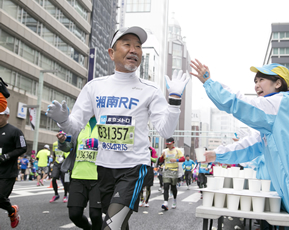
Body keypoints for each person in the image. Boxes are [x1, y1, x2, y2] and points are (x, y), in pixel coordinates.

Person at [46, 26, 189, 230]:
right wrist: (63, 119)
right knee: (118, 224)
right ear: (111, 53)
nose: (134, 50)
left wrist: (174, 101)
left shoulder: (150, 90)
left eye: (138, 46)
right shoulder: (94, 87)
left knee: (111, 225)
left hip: (134, 168)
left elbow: (165, 132)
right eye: (127, 44)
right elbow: (75, 126)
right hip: (103, 168)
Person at [190, 60, 289, 230]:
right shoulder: (279, 112)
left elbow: (240, 104)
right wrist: (217, 155)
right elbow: (251, 145)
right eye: (255, 82)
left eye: (261, 80)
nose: (256, 85)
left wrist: (209, 83)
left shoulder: (280, 103)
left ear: (278, 83)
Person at [57, 117, 102, 230]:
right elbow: (68, 147)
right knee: (74, 214)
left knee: (96, 215)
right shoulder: (78, 126)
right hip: (78, 176)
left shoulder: (105, 124)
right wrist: (62, 141)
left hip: (98, 178)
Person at [0, 107, 27, 228]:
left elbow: (23, 148)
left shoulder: (15, 131)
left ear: (7, 115)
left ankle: (12, 211)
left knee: (0, 197)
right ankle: (12, 210)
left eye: (0, 115)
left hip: (7, 172)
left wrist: (7, 156)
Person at [158, 137, 185, 210]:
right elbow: (160, 160)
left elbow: (183, 159)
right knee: (166, 186)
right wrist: (162, 156)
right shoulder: (165, 151)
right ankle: (165, 202)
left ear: (173, 143)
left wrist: (176, 159)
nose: (168, 146)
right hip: (166, 170)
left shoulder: (177, 150)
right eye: (167, 144)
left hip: (174, 170)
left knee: (173, 187)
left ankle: (174, 200)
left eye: (170, 144)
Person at [49, 139, 70, 203]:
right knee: (53, 178)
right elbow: (54, 153)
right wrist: (53, 162)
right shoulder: (55, 143)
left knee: (66, 180)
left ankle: (65, 195)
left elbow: (68, 154)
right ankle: (56, 194)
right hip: (57, 163)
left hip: (65, 163)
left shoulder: (67, 143)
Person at [139, 143, 157, 207]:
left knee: (148, 186)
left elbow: (155, 160)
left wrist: (148, 156)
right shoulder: (140, 148)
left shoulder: (152, 149)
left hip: (149, 168)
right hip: (141, 168)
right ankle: (141, 199)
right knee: (140, 185)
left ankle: (146, 201)